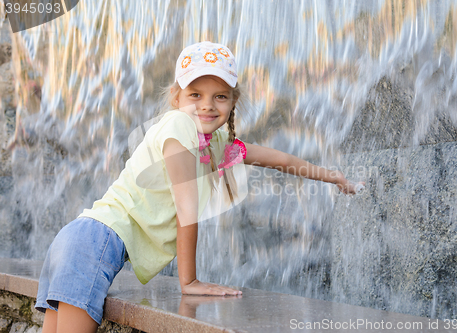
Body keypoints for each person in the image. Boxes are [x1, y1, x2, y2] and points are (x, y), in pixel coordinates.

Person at [35, 41, 364, 333]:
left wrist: (331, 176)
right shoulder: (179, 127)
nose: (207, 105)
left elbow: (273, 158)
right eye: (196, 95)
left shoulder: (216, 142)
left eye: (219, 96)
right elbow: (186, 207)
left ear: (233, 102)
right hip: (93, 243)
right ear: (177, 98)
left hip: (76, 239)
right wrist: (189, 281)